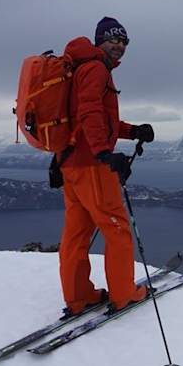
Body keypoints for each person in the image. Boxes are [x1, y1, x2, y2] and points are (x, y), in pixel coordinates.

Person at [57, 16, 156, 316]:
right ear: (100, 40)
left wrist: (132, 131)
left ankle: (79, 297)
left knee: (77, 233)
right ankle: (125, 294)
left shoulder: (81, 68)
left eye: (124, 41)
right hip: (91, 165)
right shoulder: (96, 69)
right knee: (117, 229)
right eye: (113, 39)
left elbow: (96, 117)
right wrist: (103, 152)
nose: (119, 46)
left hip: (71, 164)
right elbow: (89, 111)